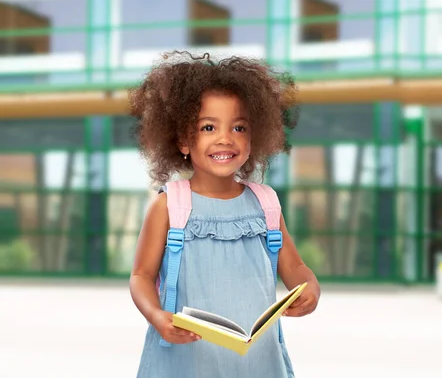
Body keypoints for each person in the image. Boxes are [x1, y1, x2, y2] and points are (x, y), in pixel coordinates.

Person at [128, 51, 321, 378]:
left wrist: (310, 287)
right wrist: (156, 316)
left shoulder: (266, 203)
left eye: (239, 127)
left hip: (258, 362)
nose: (225, 138)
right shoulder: (169, 205)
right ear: (184, 141)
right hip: (187, 361)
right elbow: (141, 277)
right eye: (208, 127)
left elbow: (295, 268)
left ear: (255, 136)